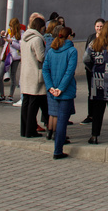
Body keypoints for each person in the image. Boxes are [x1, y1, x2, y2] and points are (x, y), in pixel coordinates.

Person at [42, 25, 77, 160]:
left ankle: (57, 148)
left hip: (53, 90)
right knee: (62, 120)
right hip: (65, 91)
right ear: (69, 36)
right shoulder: (72, 51)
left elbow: (45, 70)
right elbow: (69, 72)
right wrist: (60, 88)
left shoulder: (52, 51)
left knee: (56, 116)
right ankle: (58, 150)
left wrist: (50, 87)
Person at [19, 17, 48, 138]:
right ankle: (31, 130)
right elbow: (41, 57)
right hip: (35, 73)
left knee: (26, 102)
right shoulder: (37, 39)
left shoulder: (24, 38)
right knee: (33, 103)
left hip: (25, 73)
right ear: (41, 28)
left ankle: (24, 129)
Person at [80, 18, 104, 123]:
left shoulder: (107, 38)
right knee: (91, 92)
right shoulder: (91, 37)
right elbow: (87, 54)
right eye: (97, 26)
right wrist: (90, 67)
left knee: (104, 93)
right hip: (91, 69)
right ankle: (91, 115)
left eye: (101, 26)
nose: (99, 28)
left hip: (102, 70)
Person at [0, 18, 22, 103]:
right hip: (6, 56)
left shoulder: (20, 34)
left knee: (13, 75)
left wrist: (12, 42)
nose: (10, 28)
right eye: (10, 26)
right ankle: (2, 95)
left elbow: (21, 46)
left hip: (15, 57)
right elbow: (0, 43)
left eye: (12, 26)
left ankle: (11, 95)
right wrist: (1, 36)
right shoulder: (8, 33)